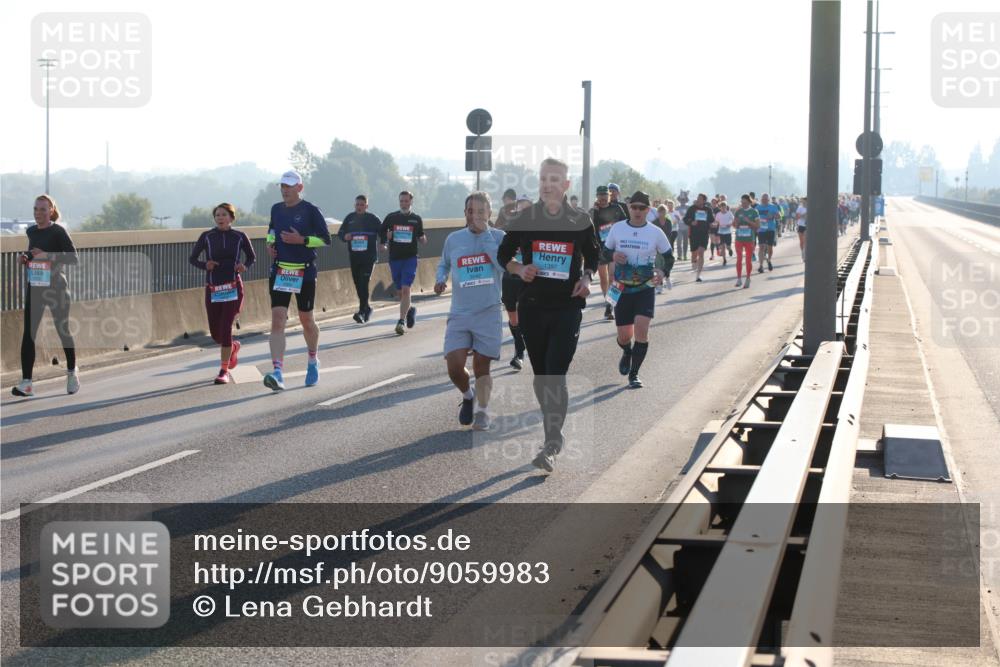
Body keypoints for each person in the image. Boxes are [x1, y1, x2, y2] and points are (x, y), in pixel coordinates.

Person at [497, 158, 599, 473]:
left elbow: (594, 256)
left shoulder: (580, 220)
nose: (548, 184)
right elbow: (503, 254)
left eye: (555, 179)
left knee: (556, 374)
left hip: (567, 307)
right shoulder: (526, 217)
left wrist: (586, 278)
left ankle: (551, 443)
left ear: (565, 185)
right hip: (532, 307)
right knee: (542, 379)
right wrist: (518, 268)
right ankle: (552, 437)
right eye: (543, 179)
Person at [434, 192, 505, 430]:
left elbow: (502, 265)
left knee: (481, 366)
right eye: (470, 212)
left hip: (489, 310)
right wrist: (441, 278)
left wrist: (485, 236)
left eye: (480, 212)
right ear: (464, 214)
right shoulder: (454, 239)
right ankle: (468, 395)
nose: (474, 216)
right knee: (454, 367)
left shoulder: (498, 237)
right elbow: (444, 262)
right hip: (460, 313)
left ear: (489, 214)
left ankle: (483, 412)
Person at [262, 170, 332, 391]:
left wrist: (301, 240)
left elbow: (325, 240)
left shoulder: (311, 211)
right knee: (277, 320)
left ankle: (313, 360)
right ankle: (277, 372)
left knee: (306, 320)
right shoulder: (276, 209)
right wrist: (270, 244)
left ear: (299, 188)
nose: (285, 190)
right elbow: (272, 229)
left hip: (304, 272)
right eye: (282, 186)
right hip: (281, 271)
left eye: (289, 186)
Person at [12, 194, 79, 397]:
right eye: (35, 209)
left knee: (62, 330)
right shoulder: (31, 231)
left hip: (57, 288)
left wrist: (46, 255)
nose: (38, 213)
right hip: (36, 286)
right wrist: (26, 257)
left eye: (42, 209)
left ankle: (71, 372)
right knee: (28, 334)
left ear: (51, 211)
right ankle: (27, 383)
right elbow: (34, 253)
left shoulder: (58, 231)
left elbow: (73, 258)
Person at [604, 191, 672, 389]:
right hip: (621, 288)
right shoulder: (617, 229)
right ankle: (626, 351)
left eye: (642, 208)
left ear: (648, 210)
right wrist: (614, 255)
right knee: (624, 335)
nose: (637, 211)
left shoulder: (655, 232)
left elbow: (668, 257)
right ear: (629, 208)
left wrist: (662, 270)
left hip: (645, 287)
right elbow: (605, 251)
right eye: (634, 207)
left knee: (641, 330)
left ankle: (634, 374)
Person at [189, 203, 256, 384]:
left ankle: (223, 371)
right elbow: (192, 258)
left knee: (226, 327)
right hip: (213, 288)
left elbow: (251, 257)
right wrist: (206, 265)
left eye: (224, 215)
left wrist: (244, 266)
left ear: (231, 218)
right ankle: (233, 347)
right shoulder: (207, 236)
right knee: (216, 334)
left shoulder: (240, 236)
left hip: (233, 288)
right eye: (217, 215)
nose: (220, 218)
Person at [380, 191, 427, 335]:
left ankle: (401, 321)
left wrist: (423, 239)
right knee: (400, 292)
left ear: (411, 202)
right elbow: (382, 233)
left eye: (406, 201)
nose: (404, 204)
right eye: (401, 201)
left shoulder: (416, 219)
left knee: (406, 289)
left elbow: (421, 236)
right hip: (395, 258)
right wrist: (384, 241)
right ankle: (410, 309)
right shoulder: (391, 217)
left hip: (410, 258)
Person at [494, 189, 527, 369]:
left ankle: (519, 353)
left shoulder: (536, 229)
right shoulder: (507, 224)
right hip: (509, 276)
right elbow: (496, 230)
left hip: (528, 278)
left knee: (526, 316)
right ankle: (520, 345)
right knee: (514, 319)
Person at [337, 194, 382, 323]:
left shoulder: (373, 219)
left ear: (366, 206)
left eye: (362, 205)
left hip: (369, 258)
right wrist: (345, 237)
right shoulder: (349, 218)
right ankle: (366, 308)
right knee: (358, 284)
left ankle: (362, 311)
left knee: (364, 282)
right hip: (355, 257)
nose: (359, 207)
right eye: (357, 204)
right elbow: (340, 233)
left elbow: (383, 232)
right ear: (354, 205)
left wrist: (384, 243)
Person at [590, 184, 628, 320]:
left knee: (613, 276)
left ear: (609, 196)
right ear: (597, 197)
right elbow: (589, 230)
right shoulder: (593, 211)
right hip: (600, 248)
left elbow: (626, 224)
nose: (603, 198)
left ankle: (609, 305)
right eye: (600, 196)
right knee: (603, 278)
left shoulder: (617, 208)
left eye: (605, 195)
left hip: (614, 247)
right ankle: (607, 299)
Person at [683, 193, 714, 282]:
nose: (698, 199)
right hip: (694, 234)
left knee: (701, 253)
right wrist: (691, 222)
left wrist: (713, 225)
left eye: (700, 198)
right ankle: (694, 262)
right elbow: (685, 219)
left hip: (704, 234)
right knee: (694, 254)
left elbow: (711, 221)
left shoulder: (708, 209)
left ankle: (698, 275)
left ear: (704, 201)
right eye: (697, 198)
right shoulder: (692, 208)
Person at [733, 194, 760, 288]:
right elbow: (734, 224)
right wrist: (736, 224)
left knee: (748, 259)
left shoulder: (754, 212)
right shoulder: (738, 211)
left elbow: (758, 226)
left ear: (749, 202)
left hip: (749, 239)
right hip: (739, 238)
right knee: (739, 259)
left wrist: (748, 221)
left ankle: (748, 278)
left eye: (745, 202)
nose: (743, 204)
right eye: (742, 202)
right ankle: (739, 279)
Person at [755, 193, 780, 273]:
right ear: (761, 199)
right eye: (763, 199)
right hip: (761, 230)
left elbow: (779, 216)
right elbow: (753, 217)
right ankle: (761, 266)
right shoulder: (757, 208)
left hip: (770, 229)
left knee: (770, 248)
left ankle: (769, 260)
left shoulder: (773, 207)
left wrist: (773, 215)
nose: (764, 201)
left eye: (766, 199)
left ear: (768, 200)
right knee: (761, 247)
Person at [714, 201, 734, 267]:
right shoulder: (718, 214)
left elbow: (733, 220)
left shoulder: (729, 213)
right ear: (720, 208)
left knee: (728, 246)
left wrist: (730, 224)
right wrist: (714, 224)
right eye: (722, 207)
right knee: (722, 246)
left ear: (726, 207)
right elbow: (716, 222)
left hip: (728, 232)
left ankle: (730, 250)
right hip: (721, 232)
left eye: (724, 207)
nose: (723, 208)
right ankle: (724, 259)